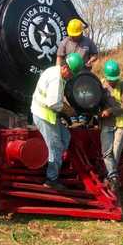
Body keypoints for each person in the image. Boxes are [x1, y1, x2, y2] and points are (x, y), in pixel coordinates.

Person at [32, 53, 84, 190]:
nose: (71, 77)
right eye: (71, 73)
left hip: (49, 114)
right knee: (55, 146)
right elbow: (53, 103)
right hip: (44, 115)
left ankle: (56, 163)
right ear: (65, 67)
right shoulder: (56, 79)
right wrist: (70, 111)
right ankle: (51, 180)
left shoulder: (57, 73)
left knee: (65, 137)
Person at [99, 60, 123, 192]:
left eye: (114, 79)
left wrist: (110, 111)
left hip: (121, 124)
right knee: (106, 153)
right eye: (109, 79)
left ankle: (110, 179)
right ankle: (113, 179)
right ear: (105, 76)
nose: (112, 82)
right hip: (106, 124)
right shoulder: (101, 84)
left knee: (115, 154)